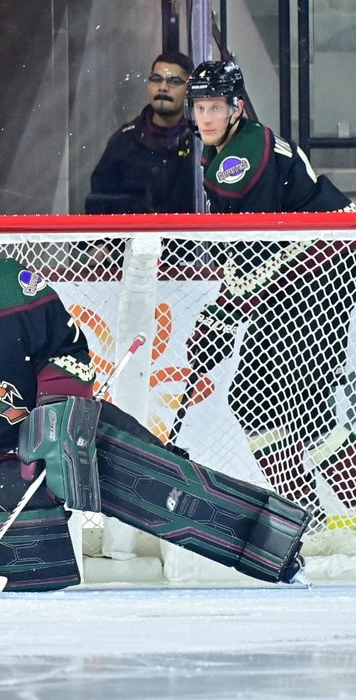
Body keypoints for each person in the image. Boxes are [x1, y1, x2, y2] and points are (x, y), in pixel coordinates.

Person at [0, 227, 309, 591]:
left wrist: (54, 421)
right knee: (32, 565)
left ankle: (279, 550)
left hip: (66, 430)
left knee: (167, 488)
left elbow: (67, 351)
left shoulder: (10, 286)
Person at [183, 60, 356, 523]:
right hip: (313, 276)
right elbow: (252, 259)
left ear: (236, 107)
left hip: (314, 277)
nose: (206, 118)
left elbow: (256, 256)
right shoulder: (240, 144)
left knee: (255, 398)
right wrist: (223, 315)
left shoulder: (240, 161)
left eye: (215, 107)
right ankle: (309, 519)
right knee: (301, 412)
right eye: (199, 106)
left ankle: (307, 520)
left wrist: (219, 317)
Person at [85, 52, 196, 215]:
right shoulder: (124, 141)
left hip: (184, 238)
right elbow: (98, 204)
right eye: (156, 79)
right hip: (131, 239)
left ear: (188, 90)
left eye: (174, 81)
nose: (163, 87)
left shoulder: (199, 141)